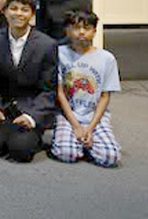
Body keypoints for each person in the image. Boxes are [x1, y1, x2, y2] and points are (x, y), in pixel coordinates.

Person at [0, 0, 57, 163]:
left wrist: (32, 116)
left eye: (24, 10)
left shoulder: (47, 45)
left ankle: (26, 134)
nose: (18, 14)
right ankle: (9, 133)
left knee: (20, 152)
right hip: (4, 107)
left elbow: (49, 90)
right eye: (13, 8)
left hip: (30, 107)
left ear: (32, 14)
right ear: (5, 12)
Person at [51, 11, 121, 168]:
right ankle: (79, 143)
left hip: (95, 116)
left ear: (95, 31)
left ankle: (86, 143)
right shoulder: (58, 54)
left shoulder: (107, 59)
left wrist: (90, 128)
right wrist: (76, 126)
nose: (81, 32)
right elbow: (60, 92)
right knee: (67, 153)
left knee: (110, 157)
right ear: (67, 31)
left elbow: (105, 96)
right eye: (76, 28)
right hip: (68, 115)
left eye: (87, 28)